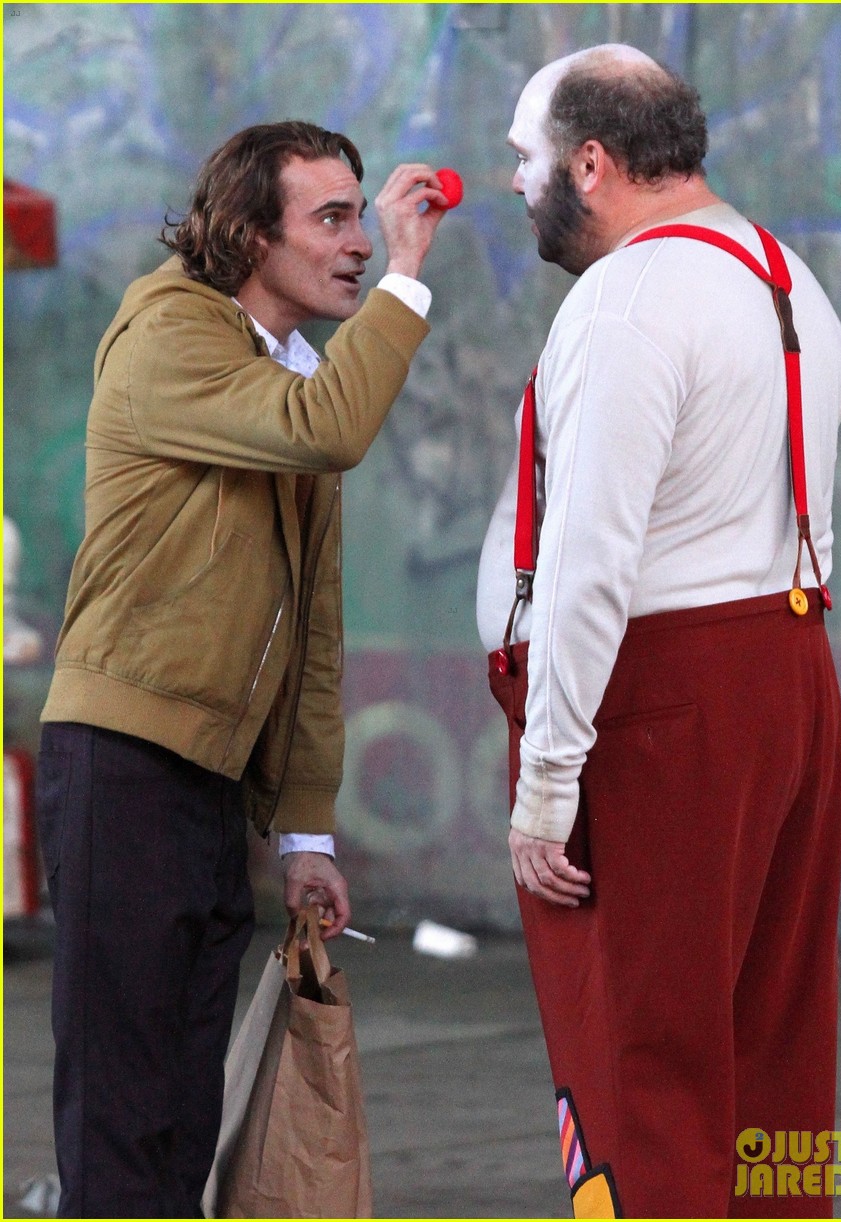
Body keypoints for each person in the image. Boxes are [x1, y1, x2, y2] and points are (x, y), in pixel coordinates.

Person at [36, 119, 453, 1218]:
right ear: (244, 234)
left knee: (181, 1122)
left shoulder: (296, 370)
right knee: (122, 1125)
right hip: (123, 762)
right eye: (330, 217)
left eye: (363, 215)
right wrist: (411, 278)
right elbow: (328, 429)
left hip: (208, 785)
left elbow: (311, 631)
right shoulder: (169, 331)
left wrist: (306, 829)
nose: (359, 239)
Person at [477, 46, 841, 1220]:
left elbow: (592, 558)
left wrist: (545, 784)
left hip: (665, 709)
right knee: (775, 1051)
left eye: (522, 158)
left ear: (590, 164)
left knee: (642, 1060)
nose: (511, 182)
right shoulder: (787, 276)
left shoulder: (628, 298)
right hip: (788, 680)